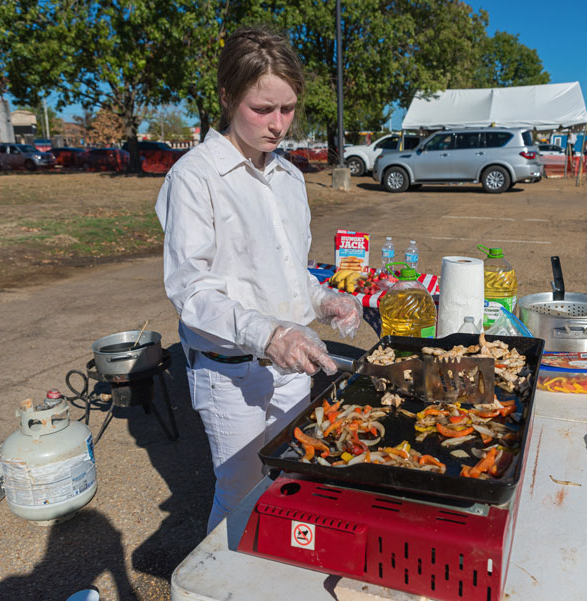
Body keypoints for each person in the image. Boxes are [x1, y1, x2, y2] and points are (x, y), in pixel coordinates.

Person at [154, 27, 363, 533]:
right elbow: (193, 293)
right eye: (262, 109)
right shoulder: (194, 176)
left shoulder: (290, 178)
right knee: (239, 491)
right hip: (230, 372)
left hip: (292, 367)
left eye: (287, 109)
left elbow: (289, 274)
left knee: (290, 478)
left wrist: (323, 300)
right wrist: (268, 333)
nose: (277, 124)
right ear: (227, 97)